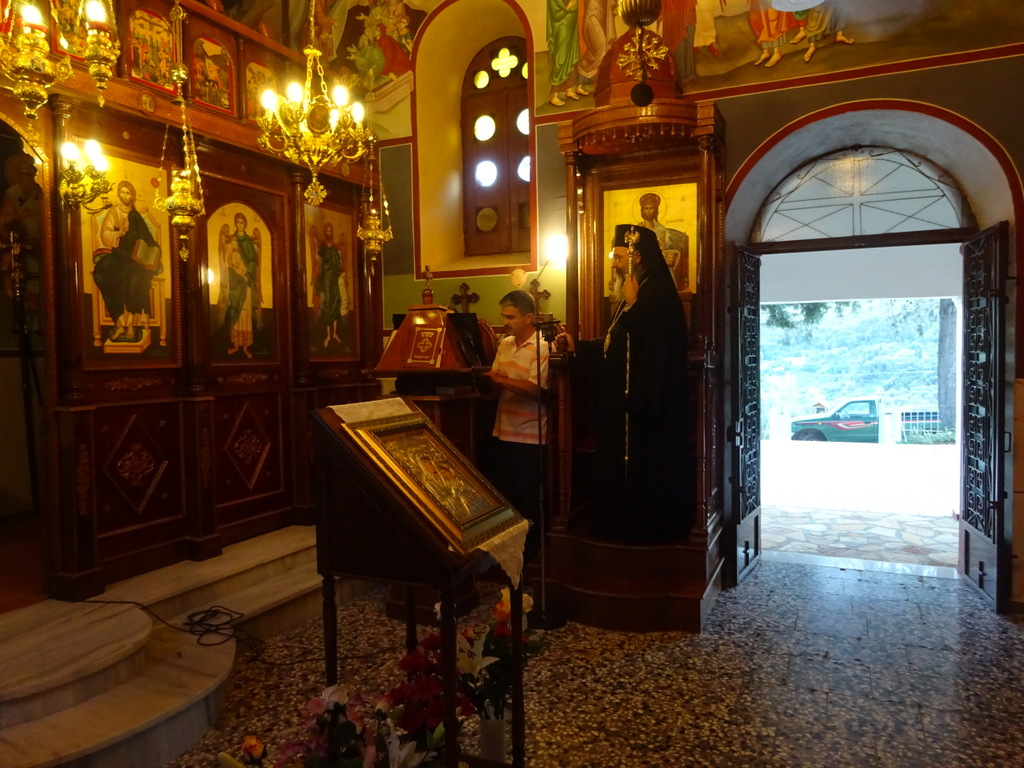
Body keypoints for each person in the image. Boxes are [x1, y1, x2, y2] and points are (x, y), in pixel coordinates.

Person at [557, 224, 692, 544]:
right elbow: (614, 343)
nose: (614, 264)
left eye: (618, 257)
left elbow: (655, 343)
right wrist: (579, 347)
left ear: (637, 257)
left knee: (642, 466)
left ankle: (638, 527)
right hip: (619, 401)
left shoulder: (656, 293)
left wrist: (633, 306)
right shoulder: (631, 293)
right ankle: (615, 522)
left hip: (645, 406)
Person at [481, 290, 550, 560]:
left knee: (528, 496)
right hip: (503, 431)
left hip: (530, 435)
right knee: (506, 495)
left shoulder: (542, 346)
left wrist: (500, 380)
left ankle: (531, 551)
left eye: (511, 317)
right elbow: (497, 379)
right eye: (503, 316)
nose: (505, 322)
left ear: (529, 317)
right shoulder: (506, 344)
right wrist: (485, 382)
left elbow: (536, 389)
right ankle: (509, 548)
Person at [93, 180, 163, 344]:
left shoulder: (135, 216)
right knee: (100, 272)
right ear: (119, 194)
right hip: (119, 256)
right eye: (122, 192)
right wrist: (119, 233)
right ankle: (119, 321)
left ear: (132, 196)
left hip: (134, 259)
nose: (125, 196)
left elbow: (148, 239)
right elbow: (105, 234)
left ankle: (130, 323)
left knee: (133, 278)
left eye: (128, 193)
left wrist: (154, 251)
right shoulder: (114, 212)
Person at [218, 212, 262, 358]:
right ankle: (236, 345)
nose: (240, 225)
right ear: (235, 224)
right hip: (236, 282)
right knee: (236, 310)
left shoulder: (248, 241)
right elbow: (227, 261)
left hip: (246, 281)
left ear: (245, 224)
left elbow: (253, 261)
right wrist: (237, 272)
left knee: (246, 312)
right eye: (238, 222)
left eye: (242, 222)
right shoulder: (232, 240)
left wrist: (247, 274)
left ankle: (246, 346)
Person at [638, 192, 690, 291]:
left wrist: (664, 249)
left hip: (657, 265)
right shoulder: (637, 230)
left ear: (656, 210)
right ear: (642, 210)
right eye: (646, 208)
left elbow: (667, 249)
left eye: (651, 208)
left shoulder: (662, 231)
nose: (649, 211)